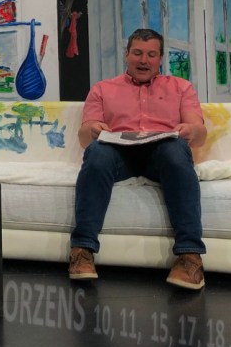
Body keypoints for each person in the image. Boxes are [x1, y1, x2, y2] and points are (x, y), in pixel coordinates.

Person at [68, 28, 207, 290]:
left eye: (151, 55)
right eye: (137, 53)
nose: (144, 60)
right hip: (118, 155)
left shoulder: (181, 87)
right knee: (96, 151)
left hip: (162, 154)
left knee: (176, 150)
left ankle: (190, 257)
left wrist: (190, 130)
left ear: (160, 58)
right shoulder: (102, 89)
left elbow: (200, 135)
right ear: (127, 55)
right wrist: (94, 129)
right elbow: (85, 137)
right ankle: (81, 251)